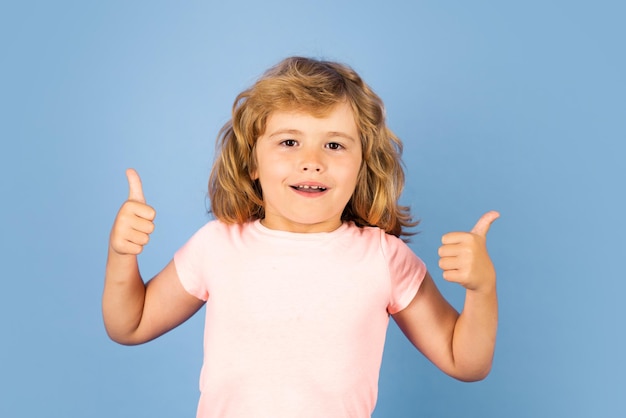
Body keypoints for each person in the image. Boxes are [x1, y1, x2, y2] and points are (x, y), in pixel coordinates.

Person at [103, 56, 500, 417]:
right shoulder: (217, 246)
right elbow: (131, 324)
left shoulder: (384, 258)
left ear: (362, 165)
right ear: (252, 162)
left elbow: (464, 362)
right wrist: (122, 253)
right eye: (289, 142)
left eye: (334, 145)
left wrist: (482, 289)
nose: (311, 162)